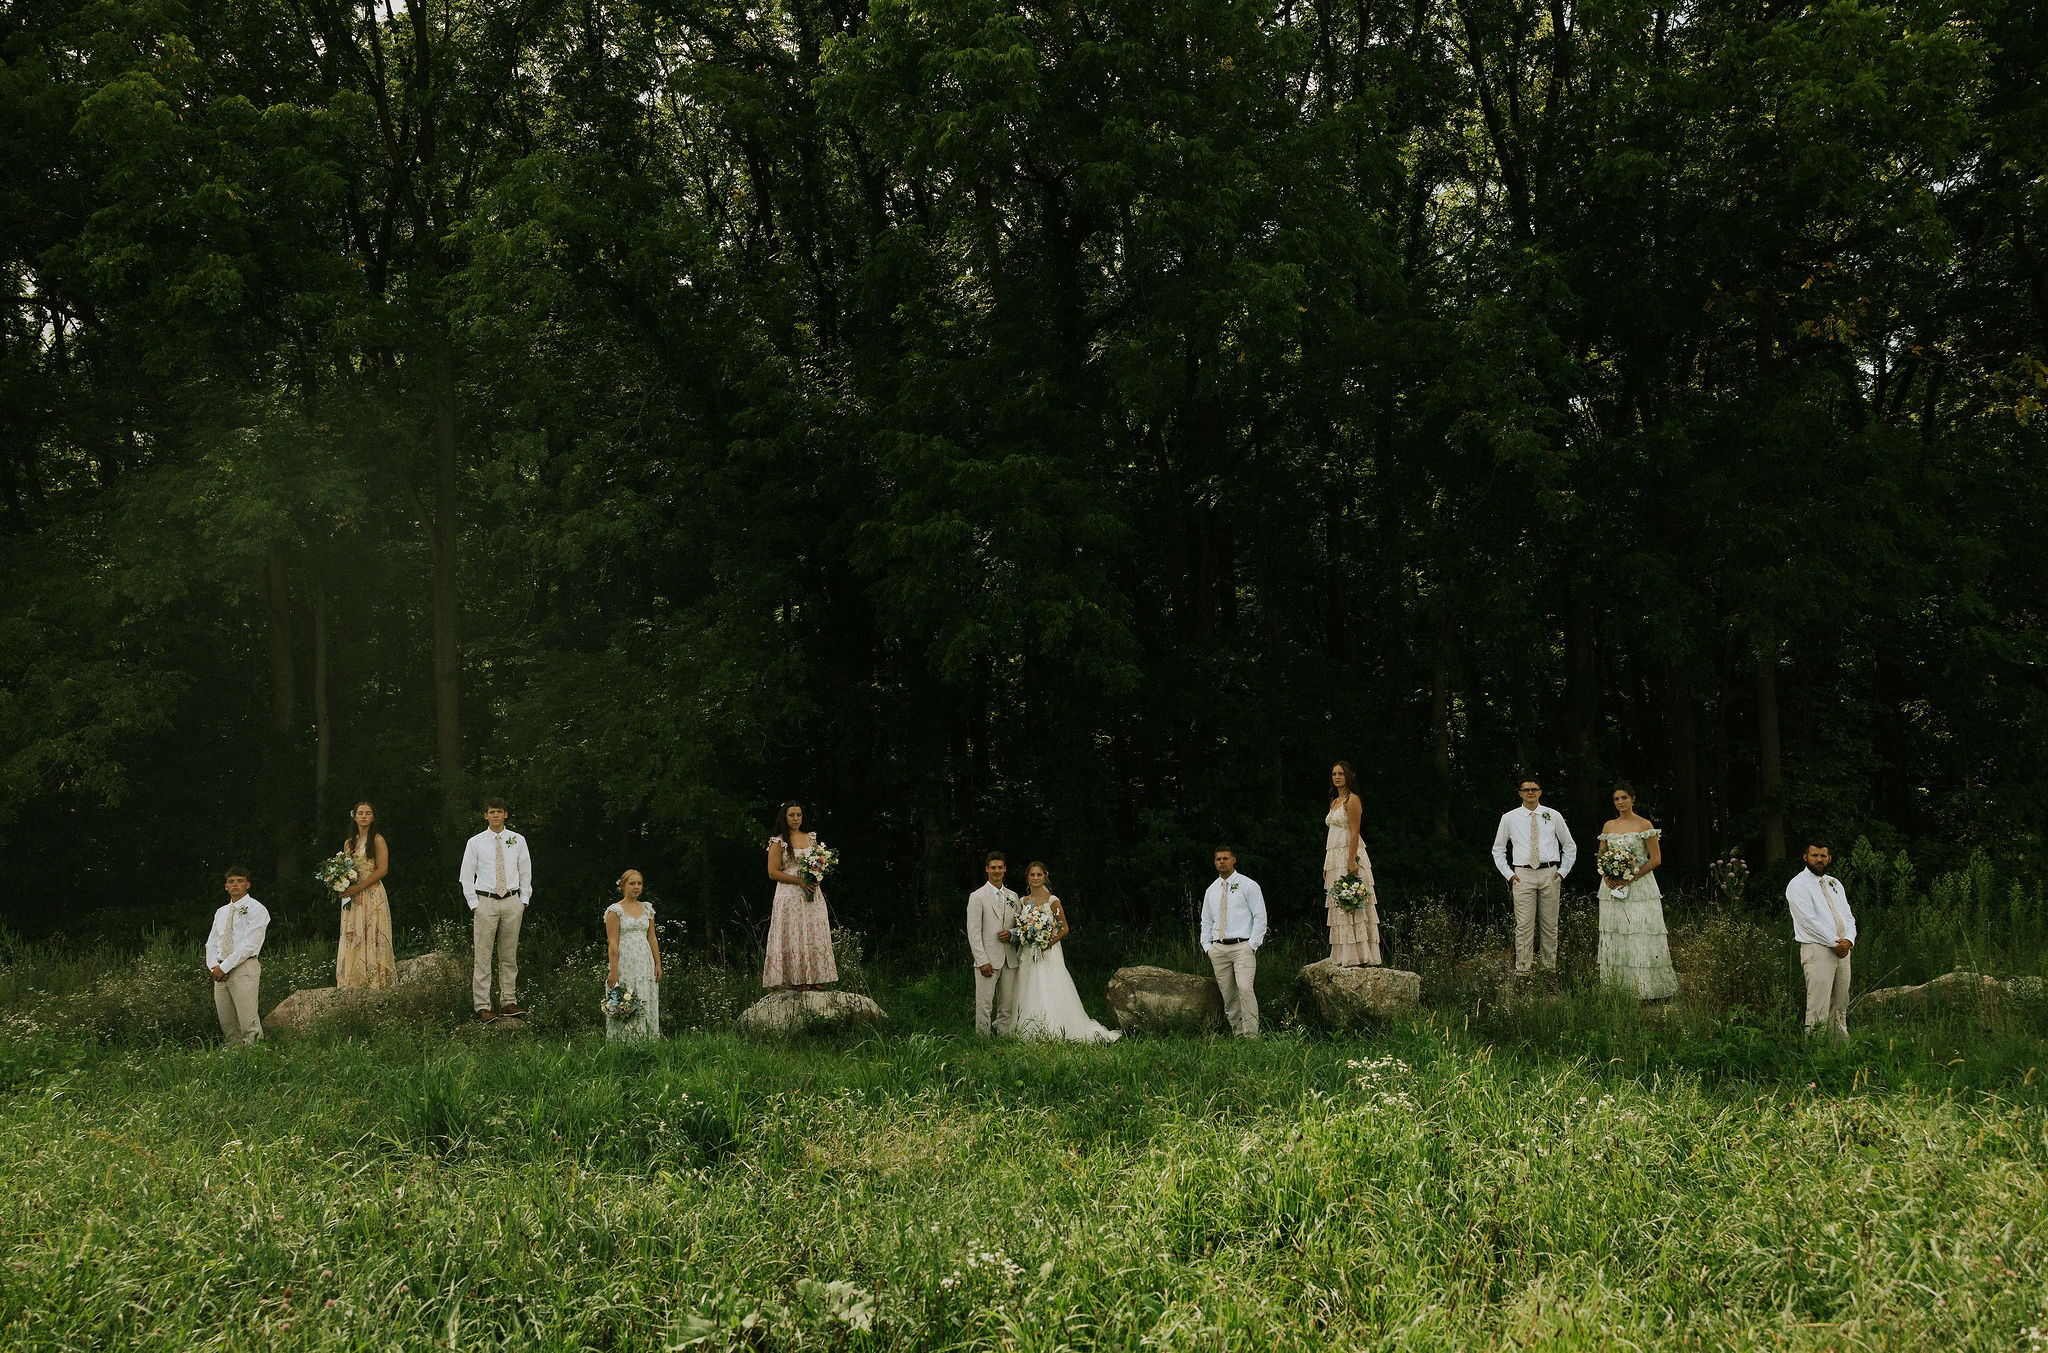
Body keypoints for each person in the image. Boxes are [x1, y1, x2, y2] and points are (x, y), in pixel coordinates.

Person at [1009, 862, 1121, 1042]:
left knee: (1049, 985)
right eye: (1032, 875)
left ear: (1045, 876)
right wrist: (1026, 934)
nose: (1036, 878)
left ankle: (1054, 1025)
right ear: (1027, 877)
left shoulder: (1053, 900)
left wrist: (1047, 942)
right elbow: (1019, 926)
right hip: (1028, 951)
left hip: (1048, 952)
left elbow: (1064, 928)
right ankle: (1024, 1026)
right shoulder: (1023, 901)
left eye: (1039, 875)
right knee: (1025, 985)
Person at [1593, 782, 1680, 999]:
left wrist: (1631, 876)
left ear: (1633, 799)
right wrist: (1606, 875)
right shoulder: (1608, 826)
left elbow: (1656, 859)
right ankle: (1618, 989)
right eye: (1616, 799)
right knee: (1617, 933)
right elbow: (1601, 856)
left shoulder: (1644, 825)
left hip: (1639, 886)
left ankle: (1646, 989)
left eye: (1624, 798)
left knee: (1640, 933)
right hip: (1613, 886)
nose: (1620, 802)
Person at [1490, 774, 1577, 976]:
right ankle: (1523, 971)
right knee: (1524, 926)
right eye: (1526, 790)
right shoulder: (1509, 818)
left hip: (1550, 873)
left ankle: (1549, 971)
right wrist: (1509, 874)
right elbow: (1498, 849)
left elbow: (1569, 846)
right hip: (1522, 875)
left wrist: (1562, 872)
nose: (1530, 793)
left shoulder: (1552, 815)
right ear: (1520, 793)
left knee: (1549, 926)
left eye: (1534, 789)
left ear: (1540, 792)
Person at [458, 798, 533, 1023]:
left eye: (499, 812)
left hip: (512, 901)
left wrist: (524, 900)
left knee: (509, 955)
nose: (495, 815)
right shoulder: (476, 842)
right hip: (485, 901)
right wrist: (474, 904)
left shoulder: (517, 840)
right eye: (492, 812)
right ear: (485, 815)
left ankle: (508, 1002)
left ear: (506, 815)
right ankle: (482, 1006)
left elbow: (526, 871)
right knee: (482, 956)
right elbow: (466, 875)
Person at [1786, 840, 1856, 1040]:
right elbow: (1808, 921)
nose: (1819, 859)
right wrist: (1835, 943)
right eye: (1814, 855)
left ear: (1829, 858)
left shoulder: (1834, 883)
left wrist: (1848, 940)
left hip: (1843, 949)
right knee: (1819, 1003)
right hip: (1818, 949)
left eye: (1823, 856)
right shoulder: (1798, 884)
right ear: (1805, 857)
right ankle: (1814, 1051)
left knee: (1841, 1002)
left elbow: (1848, 916)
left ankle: (1839, 1050)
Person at [763, 801, 837, 990]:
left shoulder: (810, 838)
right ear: (784, 817)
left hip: (811, 893)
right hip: (789, 895)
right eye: (791, 815)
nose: (796, 819)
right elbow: (772, 872)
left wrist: (816, 876)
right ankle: (796, 979)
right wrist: (799, 881)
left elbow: (819, 863)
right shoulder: (778, 841)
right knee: (794, 934)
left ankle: (816, 977)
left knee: (813, 933)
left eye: (799, 815)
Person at [1201, 847, 1267, 1037]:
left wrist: (1253, 944)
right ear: (1215, 863)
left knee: (1245, 989)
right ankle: (1238, 1034)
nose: (1221, 861)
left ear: (1233, 861)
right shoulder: (1211, 890)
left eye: (1225, 858)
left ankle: (1251, 1037)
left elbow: (1260, 916)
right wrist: (1207, 947)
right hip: (1218, 949)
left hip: (1242, 947)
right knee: (1229, 995)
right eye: (1218, 859)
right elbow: (1206, 920)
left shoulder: (1248, 885)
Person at [1323, 761, 1381, 966]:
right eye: (1334, 774)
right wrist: (1327, 864)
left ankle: (1362, 954)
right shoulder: (1335, 802)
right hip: (1334, 858)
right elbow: (1332, 835)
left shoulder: (1352, 800)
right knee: (1339, 903)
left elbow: (1355, 831)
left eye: (1340, 773)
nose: (1337, 777)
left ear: (1348, 776)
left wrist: (1351, 858)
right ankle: (1344, 954)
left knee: (1354, 902)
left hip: (1350, 853)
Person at [205, 866, 270, 1047]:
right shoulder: (221, 912)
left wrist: (225, 966)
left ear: (247, 885)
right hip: (219, 972)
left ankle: (256, 1060)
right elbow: (212, 942)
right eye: (231, 882)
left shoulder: (257, 909)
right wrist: (214, 967)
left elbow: (249, 945)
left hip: (243, 968)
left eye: (240, 881)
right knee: (228, 1025)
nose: (235, 885)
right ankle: (235, 1064)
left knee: (248, 1022)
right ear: (226, 886)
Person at [334, 800, 396, 990]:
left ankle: (375, 980)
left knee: (373, 933)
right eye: (360, 813)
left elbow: (382, 869)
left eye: (368, 813)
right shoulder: (348, 843)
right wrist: (341, 885)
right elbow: (344, 869)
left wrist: (359, 887)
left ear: (373, 817)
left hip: (371, 892)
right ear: (354, 816)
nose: (363, 816)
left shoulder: (377, 839)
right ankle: (354, 980)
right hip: (353, 895)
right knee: (354, 934)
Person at [604, 869, 662, 1043]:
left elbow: (652, 937)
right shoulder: (615, 911)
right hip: (625, 963)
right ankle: (623, 1045)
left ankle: (647, 1042)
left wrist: (658, 963)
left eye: (639, 883)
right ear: (623, 886)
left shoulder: (647, 908)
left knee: (644, 998)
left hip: (645, 963)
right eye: (632, 883)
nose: (636, 887)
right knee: (626, 998)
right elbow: (613, 943)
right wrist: (613, 971)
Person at [966, 851, 1021, 1037]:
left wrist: (1012, 935)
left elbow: (1019, 927)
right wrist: (981, 961)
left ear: (1005, 869)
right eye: (993, 868)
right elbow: (973, 932)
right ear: (987, 869)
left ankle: (1003, 1036)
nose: (997, 871)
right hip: (987, 959)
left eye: (1000, 867)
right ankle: (982, 1040)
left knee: (1007, 1005)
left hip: (1009, 959)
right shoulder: (977, 896)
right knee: (984, 1004)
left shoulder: (1013, 897)